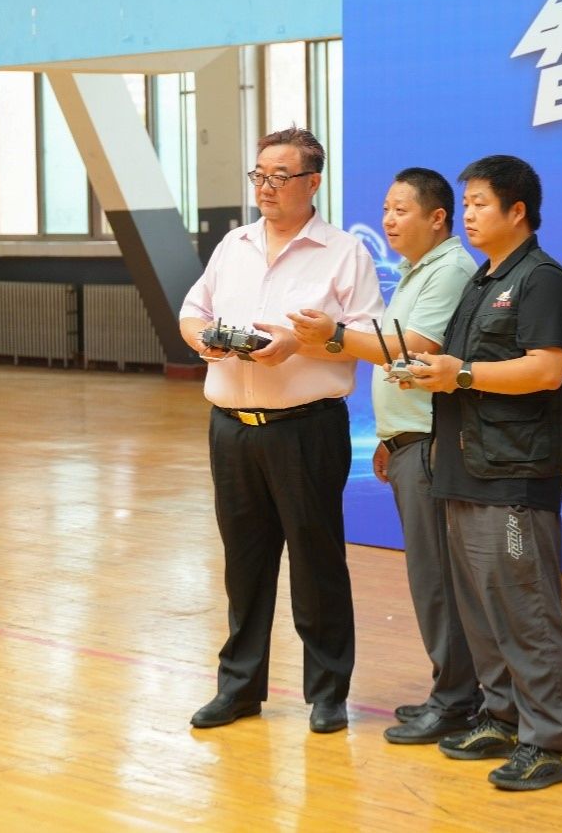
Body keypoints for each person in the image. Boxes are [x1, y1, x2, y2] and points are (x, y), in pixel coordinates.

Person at [178, 127, 384, 735]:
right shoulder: (233, 244)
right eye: (259, 175)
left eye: (279, 177)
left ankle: (328, 693)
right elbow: (193, 312)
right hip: (231, 428)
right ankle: (239, 688)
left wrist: (300, 343)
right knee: (243, 563)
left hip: (305, 428)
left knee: (317, 563)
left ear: (312, 183)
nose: (265, 187)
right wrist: (208, 341)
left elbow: (369, 340)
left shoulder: (344, 253)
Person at [407, 154, 562, 790]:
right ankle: (504, 718)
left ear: (518, 211)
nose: (470, 215)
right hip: (464, 466)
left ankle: (550, 743)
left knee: (524, 609)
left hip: (514, 474)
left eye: (481, 203)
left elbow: (546, 370)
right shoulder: (482, 280)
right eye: (467, 204)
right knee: (482, 610)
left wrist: (459, 374)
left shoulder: (541, 280)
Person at [288, 167, 481, 745]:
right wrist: (389, 434)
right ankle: (451, 691)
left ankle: (456, 701)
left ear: (437, 218)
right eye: (386, 210)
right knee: (430, 577)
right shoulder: (417, 270)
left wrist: (334, 336)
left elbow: (415, 349)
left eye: (401, 210)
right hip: (410, 440)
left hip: (432, 445)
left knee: (438, 579)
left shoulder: (450, 269)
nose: (389, 221)